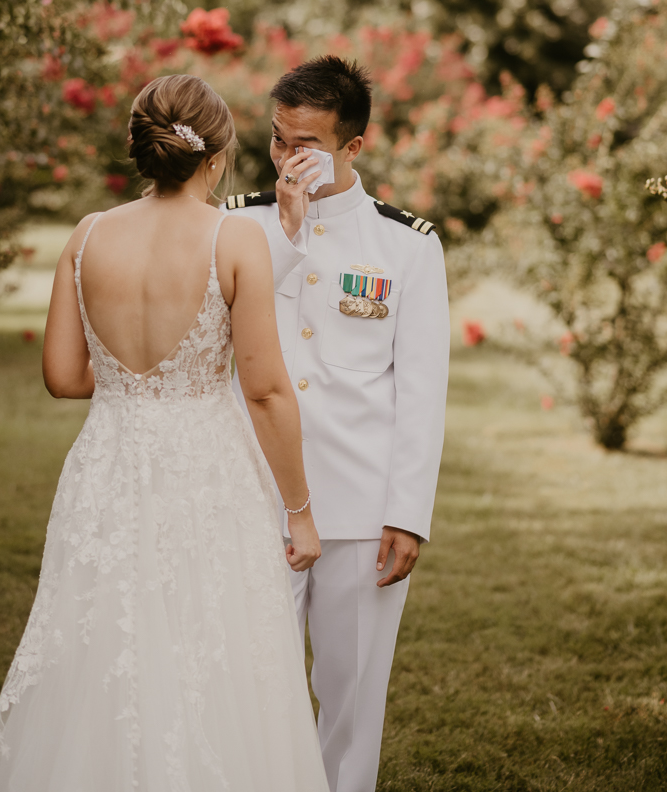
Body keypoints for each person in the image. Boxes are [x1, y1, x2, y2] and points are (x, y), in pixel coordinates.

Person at [0, 74, 329, 792]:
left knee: (100, 641)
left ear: (141, 150)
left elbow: (65, 377)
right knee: (214, 650)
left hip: (108, 463)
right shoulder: (236, 239)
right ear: (216, 159)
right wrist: (300, 511)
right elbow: (263, 389)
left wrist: (136, 386)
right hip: (207, 469)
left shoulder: (88, 234)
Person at [223, 55, 450, 792]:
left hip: (359, 505)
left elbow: (421, 389)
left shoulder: (407, 244)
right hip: (253, 494)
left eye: (308, 144)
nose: (289, 158)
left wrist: (408, 513)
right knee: (257, 691)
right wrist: (287, 230)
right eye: (280, 140)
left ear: (355, 146)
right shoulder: (238, 226)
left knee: (351, 700)